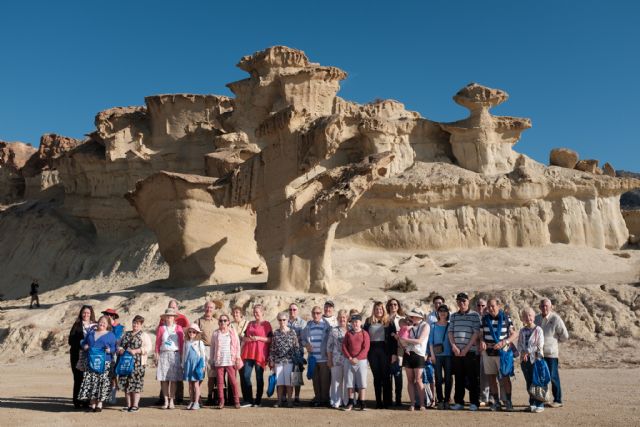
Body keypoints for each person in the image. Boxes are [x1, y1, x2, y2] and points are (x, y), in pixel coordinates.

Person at [479, 298, 517, 411]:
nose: (490, 308)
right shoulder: (484, 318)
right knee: (491, 378)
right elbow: (481, 334)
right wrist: (481, 341)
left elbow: (514, 334)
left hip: (503, 353)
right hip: (488, 352)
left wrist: (504, 342)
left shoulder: (506, 318)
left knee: (505, 377)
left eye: (493, 306)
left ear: (498, 306)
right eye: (489, 306)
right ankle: (496, 402)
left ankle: (508, 401)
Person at [448, 292, 481, 411]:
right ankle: (459, 402)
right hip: (457, 352)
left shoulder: (475, 315)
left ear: (468, 301)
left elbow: (476, 333)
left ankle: (474, 402)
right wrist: (454, 347)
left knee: (473, 378)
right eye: (459, 301)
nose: (461, 303)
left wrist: (466, 349)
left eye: (464, 301)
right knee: (459, 378)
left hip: (470, 352)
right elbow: (450, 332)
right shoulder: (453, 316)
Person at [77, 315, 117, 412]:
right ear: (97, 322)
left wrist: (109, 350)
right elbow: (83, 342)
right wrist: (84, 346)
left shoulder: (111, 335)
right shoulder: (91, 333)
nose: (102, 324)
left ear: (108, 325)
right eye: (100, 321)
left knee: (102, 383)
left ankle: (99, 404)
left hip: (104, 363)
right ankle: (92, 404)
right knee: (92, 383)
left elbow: (115, 348)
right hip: (90, 362)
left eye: (104, 322)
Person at [535, 298, 569, 408]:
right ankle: (544, 398)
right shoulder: (536, 319)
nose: (544, 308)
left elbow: (565, 336)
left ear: (551, 307)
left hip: (551, 354)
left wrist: (553, 343)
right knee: (542, 377)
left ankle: (558, 400)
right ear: (539, 307)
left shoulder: (556, 319)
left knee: (553, 377)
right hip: (539, 354)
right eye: (542, 306)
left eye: (546, 306)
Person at [117, 315, 152, 413]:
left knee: (136, 384)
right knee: (126, 383)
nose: (135, 325)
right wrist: (120, 350)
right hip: (125, 362)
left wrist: (137, 350)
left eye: (137, 323)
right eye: (134, 322)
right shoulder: (126, 334)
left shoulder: (144, 335)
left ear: (141, 325)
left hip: (138, 363)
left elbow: (148, 347)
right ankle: (128, 405)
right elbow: (119, 344)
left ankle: (135, 405)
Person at [157, 300, 189, 404]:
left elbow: (181, 343)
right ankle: (166, 400)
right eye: (167, 316)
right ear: (165, 317)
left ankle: (172, 400)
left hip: (175, 354)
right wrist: (156, 354)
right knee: (164, 379)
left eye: (171, 316)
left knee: (174, 380)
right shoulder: (161, 328)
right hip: (164, 354)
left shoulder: (179, 328)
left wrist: (181, 357)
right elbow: (157, 343)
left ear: (174, 317)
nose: (169, 318)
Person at [240, 304, 272, 407]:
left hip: (260, 354)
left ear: (262, 313)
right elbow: (244, 338)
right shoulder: (250, 323)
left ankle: (258, 401)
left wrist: (258, 338)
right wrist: (246, 339)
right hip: (248, 353)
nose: (255, 314)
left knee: (259, 377)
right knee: (245, 376)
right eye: (254, 312)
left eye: (257, 312)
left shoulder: (266, 324)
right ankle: (249, 400)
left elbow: (270, 339)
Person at [399, 309, 430, 411]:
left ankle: (422, 404)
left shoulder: (425, 326)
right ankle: (412, 403)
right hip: (408, 354)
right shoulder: (409, 326)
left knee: (419, 380)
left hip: (419, 354)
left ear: (420, 317)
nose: (411, 318)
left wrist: (405, 340)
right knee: (410, 380)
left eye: (413, 316)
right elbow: (402, 340)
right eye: (411, 316)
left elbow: (419, 341)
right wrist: (404, 344)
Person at [210, 313, 243, 409]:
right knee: (220, 382)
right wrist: (212, 360)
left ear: (228, 322)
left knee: (233, 382)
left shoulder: (232, 332)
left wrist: (237, 357)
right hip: (219, 361)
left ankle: (236, 401)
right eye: (221, 321)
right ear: (218, 322)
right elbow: (212, 348)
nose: (223, 322)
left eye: (225, 320)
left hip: (230, 360)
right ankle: (221, 401)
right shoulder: (215, 333)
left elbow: (237, 346)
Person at [363, 301, 392, 409]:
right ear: (374, 310)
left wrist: (393, 354)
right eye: (376, 309)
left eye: (380, 309)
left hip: (385, 350)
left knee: (385, 376)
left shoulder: (388, 321)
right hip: (372, 350)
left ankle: (386, 402)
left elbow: (392, 339)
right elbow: (364, 336)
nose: (378, 311)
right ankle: (378, 402)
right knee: (377, 377)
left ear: (383, 310)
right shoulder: (368, 321)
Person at [517, 307, 546, 413]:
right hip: (525, 361)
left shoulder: (538, 330)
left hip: (536, 359)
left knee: (537, 382)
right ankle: (532, 404)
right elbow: (519, 344)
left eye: (530, 315)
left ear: (534, 317)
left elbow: (539, 345)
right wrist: (521, 353)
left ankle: (540, 404)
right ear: (523, 318)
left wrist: (527, 352)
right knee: (529, 382)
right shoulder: (522, 330)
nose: (528, 317)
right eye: (525, 316)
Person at [302, 305, 331, 407]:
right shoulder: (308, 326)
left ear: (321, 313)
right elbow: (302, 339)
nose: (316, 315)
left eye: (318, 313)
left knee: (325, 381)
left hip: (324, 358)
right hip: (313, 358)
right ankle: (318, 399)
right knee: (316, 381)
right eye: (314, 313)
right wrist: (306, 345)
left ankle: (325, 400)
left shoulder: (327, 326)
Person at [269, 311, 299, 408]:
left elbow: (296, 347)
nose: (282, 322)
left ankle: (290, 401)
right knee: (280, 383)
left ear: (287, 320)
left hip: (290, 361)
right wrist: (271, 360)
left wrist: (297, 360)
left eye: (284, 320)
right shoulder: (276, 333)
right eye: (280, 320)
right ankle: (279, 401)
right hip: (278, 361)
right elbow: (272, 348)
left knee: (289, 383)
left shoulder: (292, 332)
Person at [68, 304, 96, 409]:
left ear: (91, 314)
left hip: (91, 355)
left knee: (88, 378)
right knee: (78, 378)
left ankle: (86, 401)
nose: (86, 314)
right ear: (81, 313)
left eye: (88, 313)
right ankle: (77, 401)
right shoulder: (77, 324)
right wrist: (82, 344)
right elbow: (70, 340)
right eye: (84, 312)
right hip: (77, 354)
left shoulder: (95, 325)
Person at [342, 314, 370, 411]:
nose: (355, 324)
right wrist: (350, 357)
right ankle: (350, 403)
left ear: (360, 322)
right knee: (350, 383)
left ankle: (362, 403)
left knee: (362, 382)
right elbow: (344, 346)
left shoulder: (364, 333)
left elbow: (366, 348)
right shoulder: (348, 333)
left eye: (357, 322)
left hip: (361, 361)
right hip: (349, 360)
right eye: (353, 322)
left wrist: (357, 358)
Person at [429, 304, 452, 410]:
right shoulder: (433, 325)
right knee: (438, 379)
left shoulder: (450, 325)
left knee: (448, 378)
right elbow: (430, 342)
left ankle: (447, 400)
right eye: (440, 311)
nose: (442, 313)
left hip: (449, 355)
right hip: (437, 356)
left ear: (447, 313)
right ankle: (440, 400)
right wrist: (432, 355)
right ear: (437, 313)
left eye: (445, 311)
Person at [196, 301, 218, 406]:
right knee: (200, 374)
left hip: (213, 350)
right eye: (207, 307)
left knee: (212, 375)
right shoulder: (198, 321)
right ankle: (197, 396)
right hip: (201, 349)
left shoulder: (217, 322)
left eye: (211, 308)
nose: (209, 309)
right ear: (204, 308)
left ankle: (210, 396)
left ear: (214, 309)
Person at [326, 309, 349, 409]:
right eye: (340, 317)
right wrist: (330, 359)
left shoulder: (351, 329)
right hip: (336, 359)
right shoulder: (333, 330)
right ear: (337, 318)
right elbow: (329, 346)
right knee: (336, 381)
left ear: (347, 318)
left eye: (344, 317)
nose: (342, 319)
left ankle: (347, 401)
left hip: (349, 360)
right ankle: (336, 401)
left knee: (348, 381)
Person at [183, 323, 207, 410]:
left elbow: (203, 355)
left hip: (196, 365)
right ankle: (191, 401)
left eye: (194, 332)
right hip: (188, 365)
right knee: (190, 385)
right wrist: (183, 365)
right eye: (190, 331)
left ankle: (196, 402)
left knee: (196, 384)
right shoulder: (186, 342)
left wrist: (203, 366)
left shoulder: (200, 342)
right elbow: (184, 354)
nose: (191, 333)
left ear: (197, 333)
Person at [102, 308, 124, 404]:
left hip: (114, 353)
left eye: (110, 315)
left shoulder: (120, 327)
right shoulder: (104, 326)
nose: (108, 316)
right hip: (103, 353)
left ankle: (113, 397)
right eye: (106, 315)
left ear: (113, 316)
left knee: (113, 375)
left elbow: (116, 339)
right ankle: (104, 396)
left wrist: (113, 326)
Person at [230, 306, 251, 407]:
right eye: (234, 312)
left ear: (241, 314)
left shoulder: (248, 324)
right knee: (231, 377)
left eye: (237, 312)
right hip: (233, 354)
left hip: (244, 354)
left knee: (244, 377)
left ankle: (247, 398)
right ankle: (231, 399)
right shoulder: (230, 325)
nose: (235, 314)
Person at [386, 298, 405, 406]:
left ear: (398, 306)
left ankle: (398, 399)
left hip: (399, 351)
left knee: (398, 376)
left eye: (395, 304)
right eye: (391, 304)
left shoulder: (402, 319)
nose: (393, 306)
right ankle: (389, 399)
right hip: (386, 351)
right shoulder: (384, 318)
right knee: (388, 377)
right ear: (388, 306)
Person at [287, 303, 307, 405]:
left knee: (296, 374)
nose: (292, 311)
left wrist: (294, 338)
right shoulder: (285, 322)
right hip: (285, 352)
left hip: (298, 352)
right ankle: (286, 396)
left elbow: (303, 338)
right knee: (286, 374)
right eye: (290, 309)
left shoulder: (302, 323)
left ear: (297, 311)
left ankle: (297, 397)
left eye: (294, 309)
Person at [475, 297, 491, 407]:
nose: (481, 308)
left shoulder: (490, 318)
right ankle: (482, 396)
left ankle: (491, 397)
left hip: (490, 350)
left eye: (483, 305)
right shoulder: (474, 318)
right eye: (479, 305)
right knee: (480, 375)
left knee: (490, 375)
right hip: (477, 350)